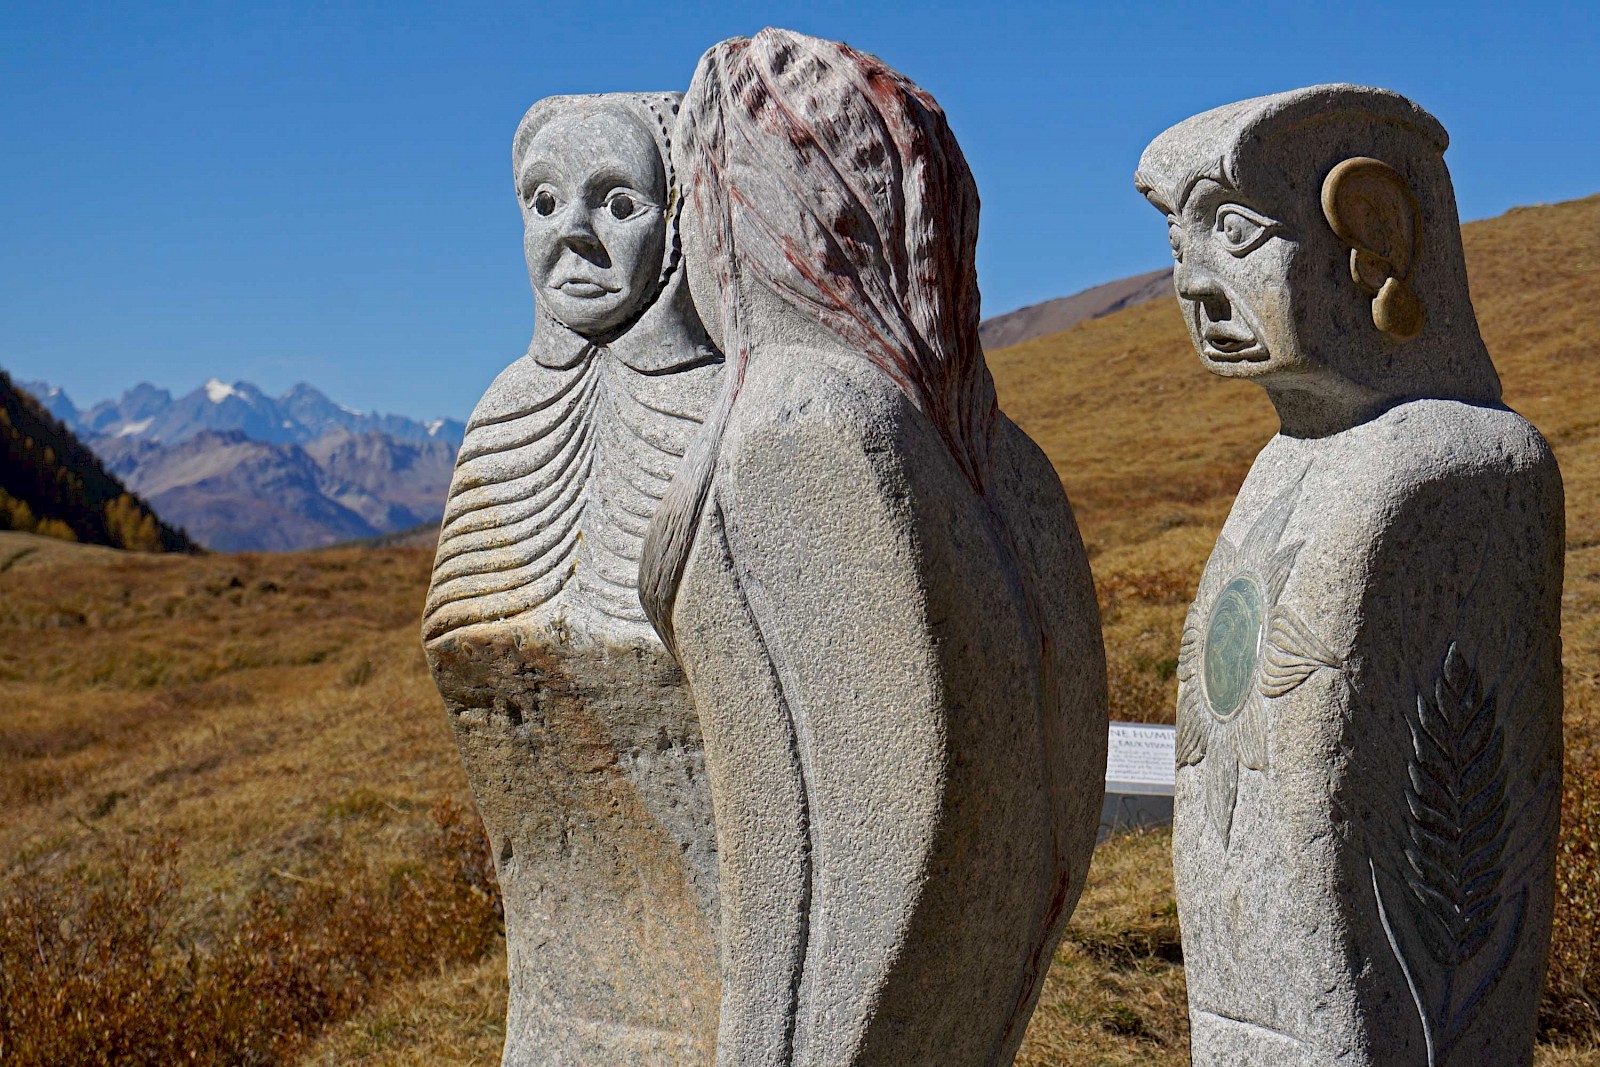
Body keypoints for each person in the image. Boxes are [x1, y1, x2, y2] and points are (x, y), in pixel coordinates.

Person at [640, 29, 1107, 1067]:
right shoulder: (1008, 459)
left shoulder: (798, 431)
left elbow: (863, 842)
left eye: (687, 203)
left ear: (739, 206)